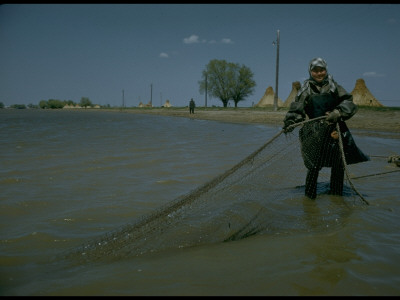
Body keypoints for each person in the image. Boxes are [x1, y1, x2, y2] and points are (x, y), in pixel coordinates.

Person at [283, 57, 369, 199]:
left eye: (321, 70)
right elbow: (297, 109)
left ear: (326, 70)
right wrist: (290, 122)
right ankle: (310, 201)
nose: (319, 73)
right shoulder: (305, 90)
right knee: (313, 166)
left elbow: (349, 102)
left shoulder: (334, 87)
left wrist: (338, 113)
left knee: (338, 164)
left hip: (335, 130)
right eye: (315, 70)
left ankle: (336, 196)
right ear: (310, 72)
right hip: (314, 132)